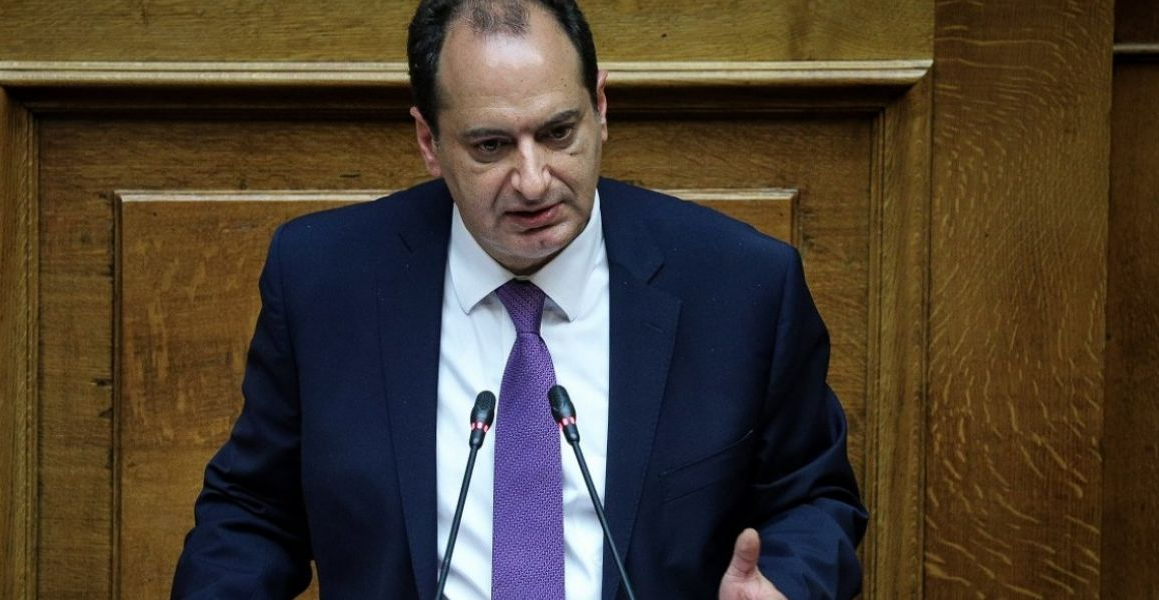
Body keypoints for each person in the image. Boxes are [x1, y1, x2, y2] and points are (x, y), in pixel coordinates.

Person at [171, 0, 866, 598]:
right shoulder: (326, 280)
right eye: (491, 146)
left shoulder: (740, 286)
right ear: (429, 141)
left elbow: (813, 499)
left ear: (600, 108)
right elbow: (254, 512)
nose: (533, 181)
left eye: (558, 133)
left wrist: (789, 583)